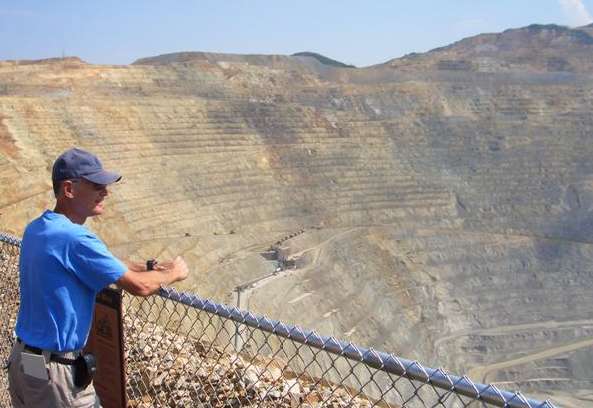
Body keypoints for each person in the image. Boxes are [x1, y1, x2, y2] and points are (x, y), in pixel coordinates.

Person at [7, 147, 189, 407]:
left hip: (25, 362)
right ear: (69, 189)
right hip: (55, 374)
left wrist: (148, 266)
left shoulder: (38, 228)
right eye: (96, 185)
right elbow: (139, 287)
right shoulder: (76, 239)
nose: (105, 192)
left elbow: (100, 262)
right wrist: (174, 272)